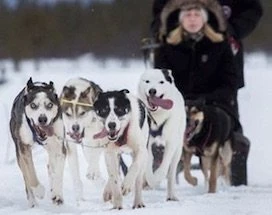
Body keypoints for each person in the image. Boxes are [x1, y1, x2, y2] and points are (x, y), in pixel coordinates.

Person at [150, 0, 262, 186]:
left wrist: (232, 29)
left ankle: (233, 177)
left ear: (204, 18)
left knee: (225, 124)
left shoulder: (220, 46)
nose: (192, 19)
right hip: (179, 101)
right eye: (188, 15)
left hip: (216, 103)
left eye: (196, 15)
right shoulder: (167, 49)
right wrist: (161, 28)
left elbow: (228, 84)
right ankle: (155, 174)